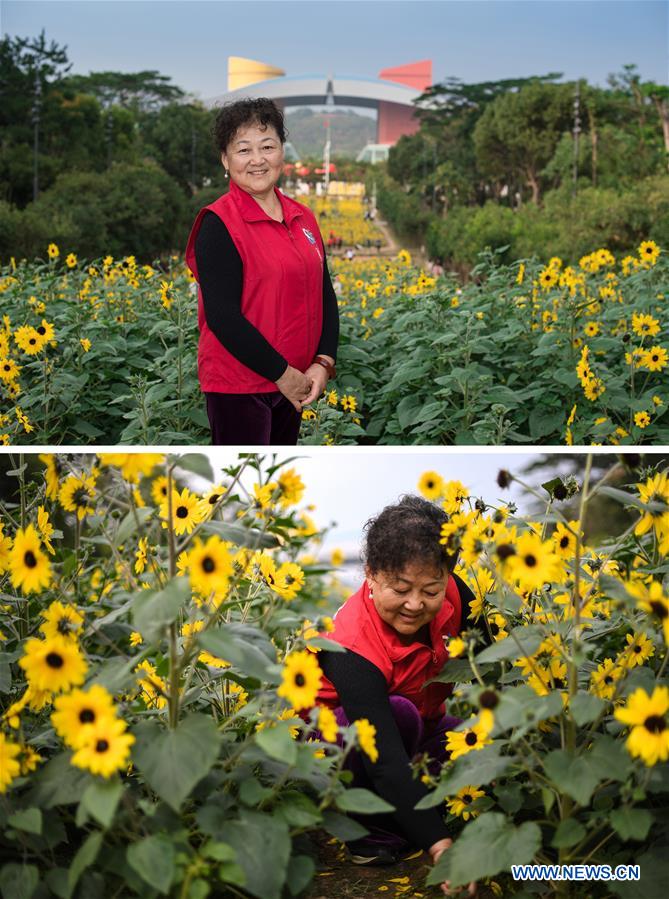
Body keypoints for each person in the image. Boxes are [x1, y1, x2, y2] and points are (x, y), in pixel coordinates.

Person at [313, 496, 481, 895]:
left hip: (419, 730)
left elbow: (500, 659)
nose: (415, 604)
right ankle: (367, 828)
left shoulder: (456, 594)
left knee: (481, 739)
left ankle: (413, 810)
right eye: (400, 588)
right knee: (399, 714)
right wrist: (441, 848)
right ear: (371, 574)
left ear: (447, 577)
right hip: (339, 749)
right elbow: (385, 758)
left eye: (431, 590)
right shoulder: (349, 644)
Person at [185, 98, 339, 445]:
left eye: (267, 146)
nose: (257, 159)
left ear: (282, 151)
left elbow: (324, 293)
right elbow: (223, 317)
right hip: (240, 389)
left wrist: (322, 362)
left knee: (280, 473)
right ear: (225, 160)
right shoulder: (218, 223)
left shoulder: (303, 217)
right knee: (247, 474)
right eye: (243, 150)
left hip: (296, 383)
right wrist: (282, 374)